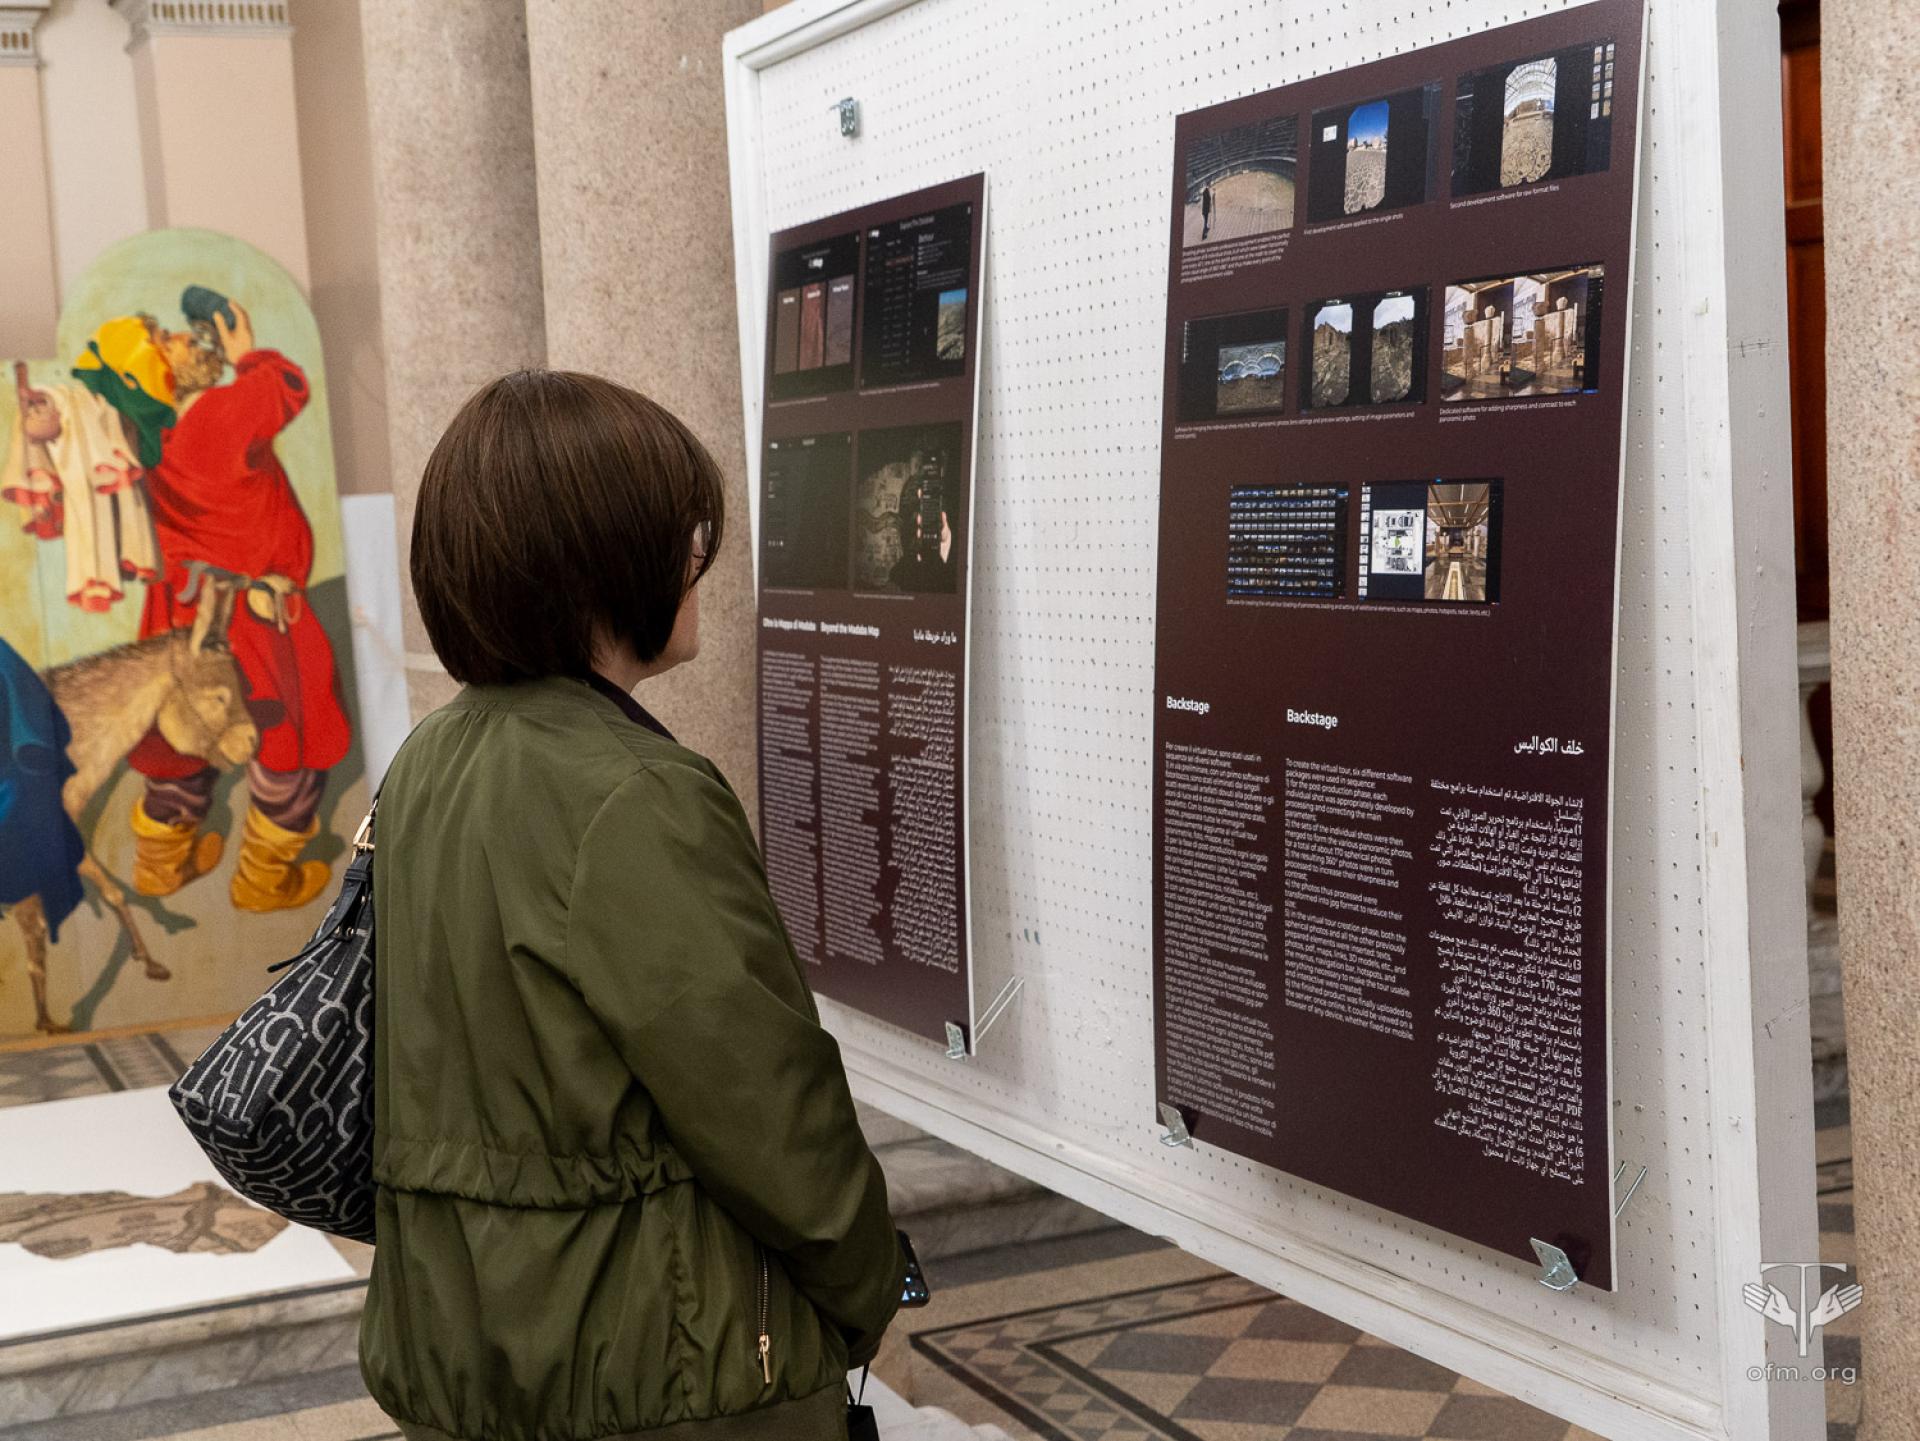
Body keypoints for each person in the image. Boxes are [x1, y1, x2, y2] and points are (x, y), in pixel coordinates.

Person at [361, 370, 904, 1441]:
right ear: (605, 558)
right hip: (658, 1372)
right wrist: (868, 1286)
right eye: (686, 534)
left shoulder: (431, 756)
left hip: (468, 1348)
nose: (699, 562)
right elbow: (765, 1103)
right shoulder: (636, 793)